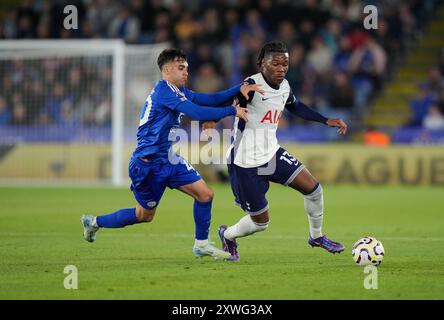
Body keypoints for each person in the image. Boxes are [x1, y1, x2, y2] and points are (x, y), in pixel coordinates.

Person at [81, 48, 263, 260]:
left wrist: (239, 89)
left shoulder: (179, 92)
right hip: (146, 164)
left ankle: (201, 245)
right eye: (180, 67)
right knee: (144, 215)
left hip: (168, 158)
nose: (186, 71)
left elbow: (210, 100)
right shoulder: (163, 91)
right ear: (166, 69)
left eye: (187, 67)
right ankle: (94, 222)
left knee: (205, 194)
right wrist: (232, 111)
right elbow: (196, 112)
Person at [212, 42, 348, 261]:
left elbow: (295, 106)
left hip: (271, 153)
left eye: (285, 63)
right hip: (245, 162)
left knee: (314, 190)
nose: (281, 68)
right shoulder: (251, 85)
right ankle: (227, 235)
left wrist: (325, 120)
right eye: (275, 63)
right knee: (261, 223)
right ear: (261, 63)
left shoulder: (284, 86)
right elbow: (233, 99)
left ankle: (317, 236)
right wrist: (215, 117)